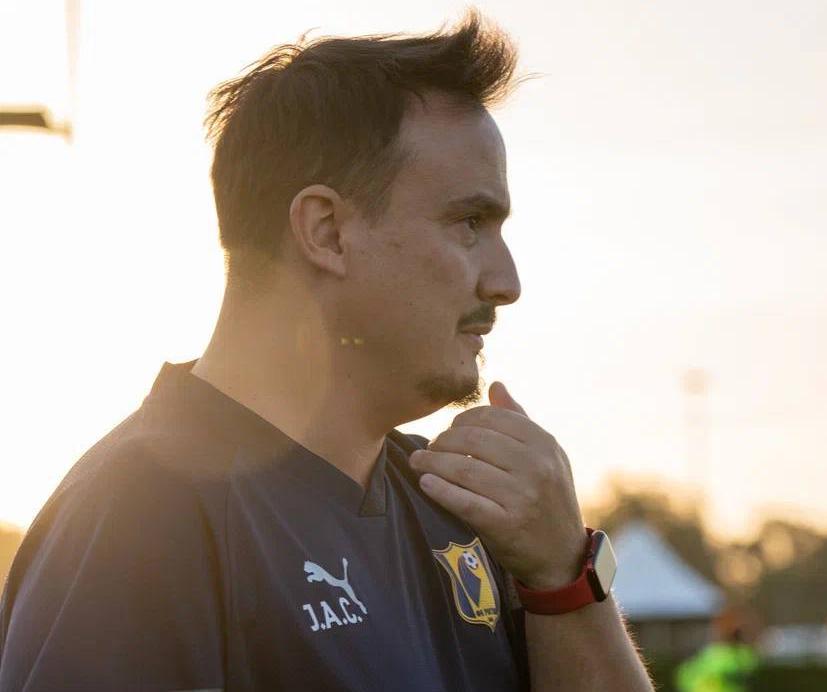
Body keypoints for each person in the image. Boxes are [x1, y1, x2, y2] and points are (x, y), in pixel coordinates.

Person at [0, 10, 654, 691]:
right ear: (326, 232)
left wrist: (563, 579)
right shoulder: (144, 516)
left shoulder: (457, 507)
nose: (506, 283)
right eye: (469, 222)